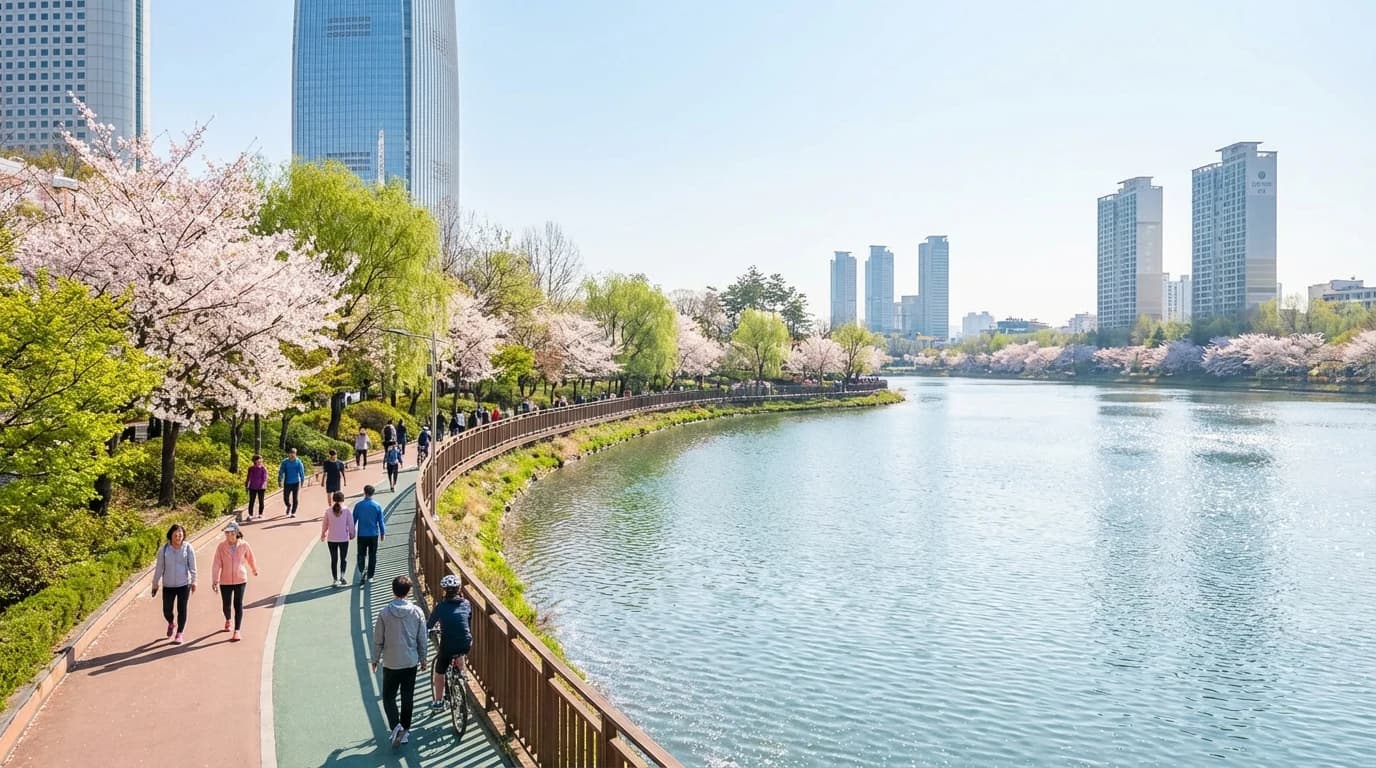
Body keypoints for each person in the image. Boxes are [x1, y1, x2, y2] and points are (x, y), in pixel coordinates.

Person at [371, 575, 427, 748]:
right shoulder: (417, 612)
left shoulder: (384, 612)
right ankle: (405, 730)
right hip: (410, 661)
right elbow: (422, 638)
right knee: (407, 696)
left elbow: (378, 638)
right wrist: (423, 658)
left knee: (388, 696)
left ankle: (396, 726)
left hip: (391, 661)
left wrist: (375, 658)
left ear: (392, 590)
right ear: (409, 592)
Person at [427, 574, 472, 711]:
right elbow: (468, 621)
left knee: (439, 671)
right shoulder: (466, 604)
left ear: (444, 591)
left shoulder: (440, 607)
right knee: (459, 652)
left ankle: (439, 702)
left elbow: (430, 624)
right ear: (459, 589)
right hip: (466, 642)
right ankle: (462, 675)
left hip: (448, 645)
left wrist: (428, 631)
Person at [211, 521, 259, 642]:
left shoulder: (244, 545)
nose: (229, 536)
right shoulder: (221, 547)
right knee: (226, 605)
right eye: (227, 533)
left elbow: (250, 558)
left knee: (238, 604)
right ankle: (228, 619)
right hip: (225, 581)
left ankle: (237, 631)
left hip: (240, 580)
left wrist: (254, 569)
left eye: (231, 533)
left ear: (237, 533)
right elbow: (217, 564)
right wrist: (215, 580)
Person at [151, 523, 197, 644]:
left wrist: (194, 581)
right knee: (167, 610)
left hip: (184, 584)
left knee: (182, 609)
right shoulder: (164, 550)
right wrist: (155, 583)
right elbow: (159, 568)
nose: (178, 537)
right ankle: (171, 622)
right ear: (171, 536)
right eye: (176, 535)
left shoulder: (188, 548)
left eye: (180, 535)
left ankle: (180, 633)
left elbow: (193, 566)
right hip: (168, 585)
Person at [320, 491, 355, 587]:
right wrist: (352, 533)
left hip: (331, 539)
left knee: (334, 559)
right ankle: (342, 577)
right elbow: (351, 524)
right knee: (343, 559)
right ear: (343, 499)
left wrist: (323, 534)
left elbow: (325, 524)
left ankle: (335, 579)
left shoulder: (328, 511)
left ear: (333, 499)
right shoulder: (347, 510)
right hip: (343, 538)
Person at [354, 485, 386, 585]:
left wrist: (351, 531)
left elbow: (353, 520)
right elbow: (381, 521)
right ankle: (371, 576)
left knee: (361, 554)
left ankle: (361, 572)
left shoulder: (359, 505)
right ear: (373, 493)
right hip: (373, 534)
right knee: (372, 555)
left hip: (362, 534)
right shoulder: (377, 506)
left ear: (364, 492)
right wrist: (382, 533)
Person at [278, 448, 306, 518]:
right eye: (291, 453)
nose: (292, 455)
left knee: (295, 498)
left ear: (295, 454)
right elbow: (281, 471)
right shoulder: (285, 462)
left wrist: (302, 481)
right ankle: (288, 505)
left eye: (294, 453)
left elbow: (301, 472)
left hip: (296, 482)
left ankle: (293, 512)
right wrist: (279, 480)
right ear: (289, 454)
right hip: (287, 482)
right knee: (285, 497)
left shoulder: (298, 462)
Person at [245, 454, 268, 520]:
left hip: (261, 487)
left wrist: (263, 485)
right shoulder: (251, 468)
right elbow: (248, 478)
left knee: (261, 501)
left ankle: (260, 513)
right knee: (251, 501)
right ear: (255, 461)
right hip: (252, 487)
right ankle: (250, 515)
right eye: (258, 459)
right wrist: (246, 486)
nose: (260, 461)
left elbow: (265, 478)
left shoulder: (263, 468)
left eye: (261, 459)